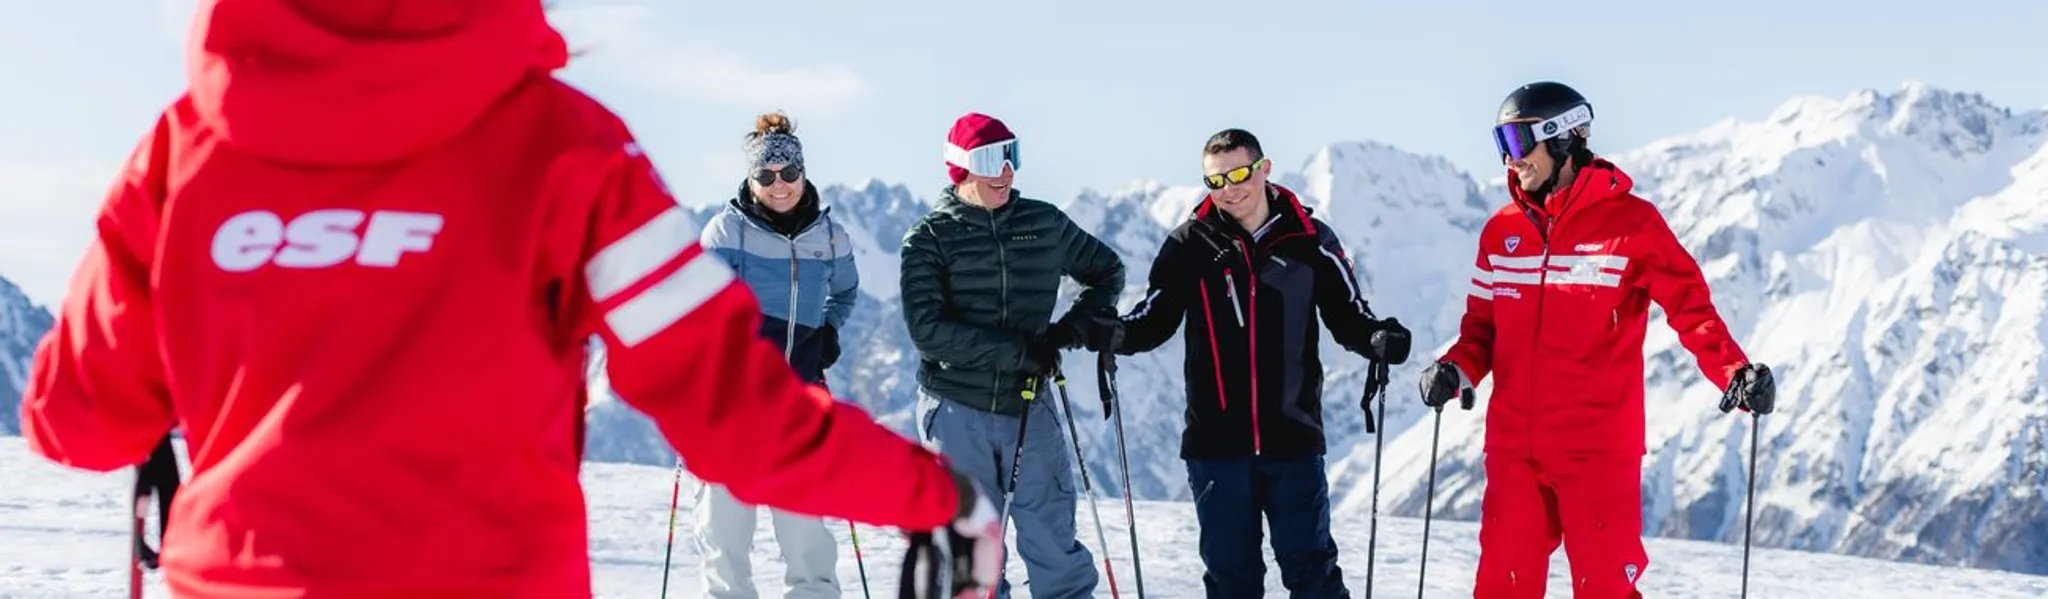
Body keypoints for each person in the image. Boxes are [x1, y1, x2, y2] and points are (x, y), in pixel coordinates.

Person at [16, 2, 1001, 597]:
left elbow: (76, 419)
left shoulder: (183, 152)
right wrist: (934, 497)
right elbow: (736, 417)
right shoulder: (568, 150)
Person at [1420, 80, 1777, 599]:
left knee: (1605, 587)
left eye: (1519, 144)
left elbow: (1690, 309)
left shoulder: (1632, 225)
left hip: (1597, 449)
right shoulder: (1502, 232)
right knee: (1502, 585)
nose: (1510, 160)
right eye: (1502, 145)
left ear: (1563, 139)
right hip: (1514, 446)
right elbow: (1482, 329)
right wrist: (1456, 370)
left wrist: (1735, 372)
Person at [1114, 128, 1412, 598]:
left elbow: (1348, 315)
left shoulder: (1310, 239)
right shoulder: (1191, 244)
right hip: (1216, 446)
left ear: (1264, 169)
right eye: (1216, 181)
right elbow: (1154, 318)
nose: (1230, 189)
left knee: (1312, 574)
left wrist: (1377, 338)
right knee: (1232, 581)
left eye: (1239, 174)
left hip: (1292, 440)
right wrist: (1117, 334)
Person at [899, 112, 1126, 599]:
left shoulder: (1042, 223)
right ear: (959, 168)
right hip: (957, 410)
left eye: (1012, 155)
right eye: (990, 159)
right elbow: (928, 332)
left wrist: (1067, 331)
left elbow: (1107, 271)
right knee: (968, 555)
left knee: (1054, 542)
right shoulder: (930, 237)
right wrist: (1018, 351)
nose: (1005, 171)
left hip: (1030, 403)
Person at [696, 111, 860, 599]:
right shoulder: (727, 233)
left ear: (803, 173)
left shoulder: (830, 236)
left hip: (800, 395)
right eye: (766, 176)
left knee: (806, 529)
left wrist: (828, 331)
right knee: (725, 527)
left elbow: (846, 293)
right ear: (752, 179)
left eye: (789, 173)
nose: (779, 185)